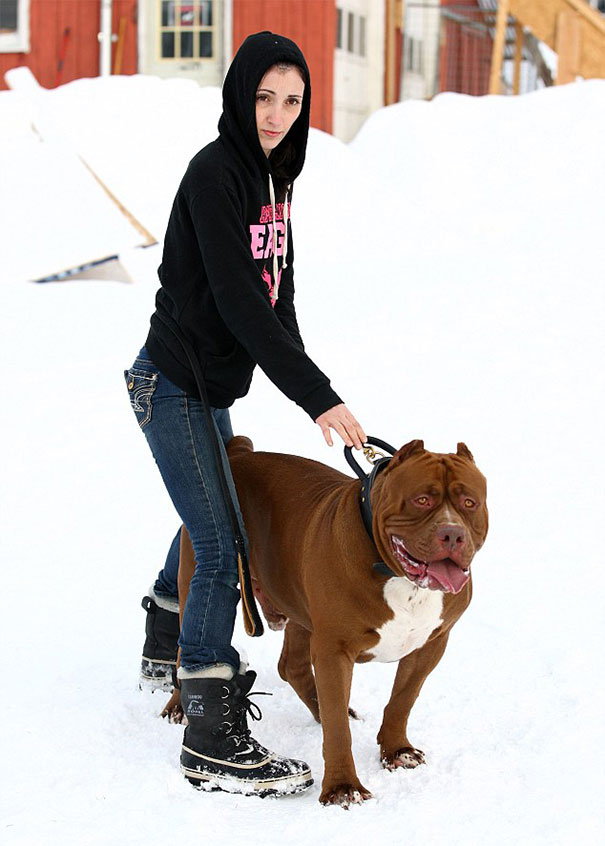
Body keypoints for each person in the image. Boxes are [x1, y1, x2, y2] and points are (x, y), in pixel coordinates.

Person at [124, 31, 366, 797]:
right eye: (264, 96)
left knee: (209, 503)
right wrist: (318, 394)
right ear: (238, 94)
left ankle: (164, 634)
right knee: (222, 541)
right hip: (171, 383)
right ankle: (211, 731)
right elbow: (235, 302)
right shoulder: (214, 174)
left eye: (292, 101)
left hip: (210, 388)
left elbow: (276, 297)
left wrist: (309, 388)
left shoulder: (274, 177)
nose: (276, 113)